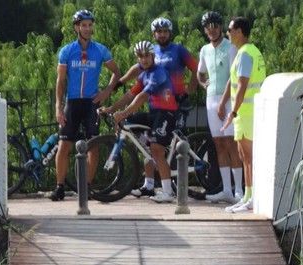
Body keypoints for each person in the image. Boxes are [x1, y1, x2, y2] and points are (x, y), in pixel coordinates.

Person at [118, 17, 201, 198]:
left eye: (165, 31)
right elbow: (138, 68)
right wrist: (121, 81)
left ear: (170, 33)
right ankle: (149, 184)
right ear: (154, 34)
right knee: (149, 142)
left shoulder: (178, 49)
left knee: (166, 143)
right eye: (158, 31)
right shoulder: (151, 51)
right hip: (156, 103)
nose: (162, 34)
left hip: (177, 102)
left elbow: (197, 68)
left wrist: (191, 89)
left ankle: (172, 183)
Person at [52, 10, 119, 202]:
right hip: (72, 103)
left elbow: (116, 72)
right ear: (76, 27)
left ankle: (87, 187)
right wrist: (58, 107)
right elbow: (60, 81)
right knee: (64, 145)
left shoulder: (100, 50)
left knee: (93, 147)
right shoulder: (66, 51)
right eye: (84, 25)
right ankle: (60, 187)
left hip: (91, 103)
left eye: (90, 25)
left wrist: (106, 92)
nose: (88, 29)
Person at [101, 41, 181, 203]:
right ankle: (149, 185)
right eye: (140, 56)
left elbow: (142, 97)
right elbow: (129, 96)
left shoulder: (158, 72)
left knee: (156, 149)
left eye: (146, 56)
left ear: (152, 56)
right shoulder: (143, 74)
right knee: (141, 140)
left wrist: (123, 113)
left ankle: (167, 192)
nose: (143, 59)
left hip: (167, 113)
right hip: (154, 113)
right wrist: (110, 109)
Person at [219, 17, 266, 213]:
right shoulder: (246, 52)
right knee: (243, 155)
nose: (228, 34)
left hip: (247, 112)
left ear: (239, 31)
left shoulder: (246, 54)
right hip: (245, 113)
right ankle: (247, 196)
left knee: (248, 157)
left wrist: (233, 111)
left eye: (230, 30)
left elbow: (243, 85)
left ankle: (253, 198)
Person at [197, 11, 242, 203]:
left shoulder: (230, 47)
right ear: (205, 30)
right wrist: (203, 84)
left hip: (228, 100)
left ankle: (238, 190)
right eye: (208, 27)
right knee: (219, 144)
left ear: (220, 27)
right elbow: (200, 73)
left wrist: (224, 102)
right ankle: (226, 190)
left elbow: (234, 76)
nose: (212, 30)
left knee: (231, 142)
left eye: (215, 26)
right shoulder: (204, 50)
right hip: (211, 100)